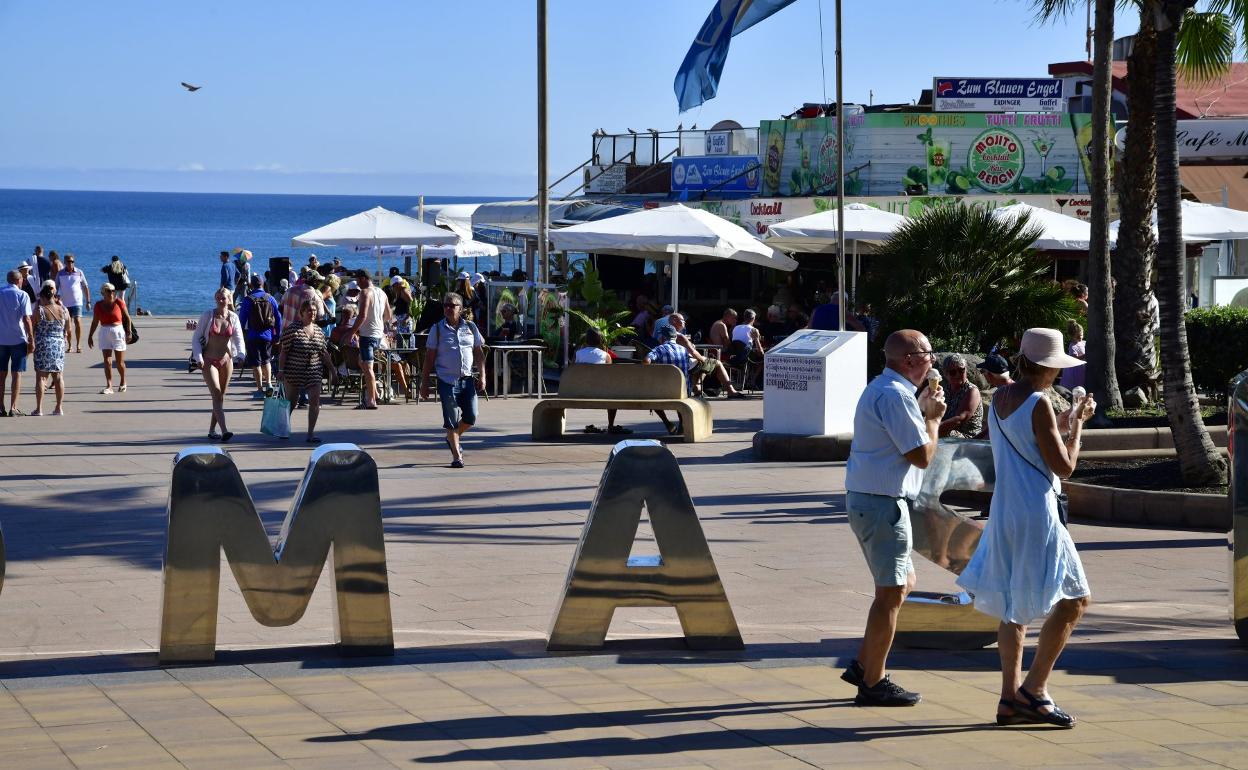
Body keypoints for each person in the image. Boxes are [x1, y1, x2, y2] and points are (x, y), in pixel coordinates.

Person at [956, 328, 1096, 728]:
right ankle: (1034, 690)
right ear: (1050, 367)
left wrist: (1067, 418)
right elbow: (1065, 465)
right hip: (1036, 509)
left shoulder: (998, 397)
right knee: (1075, 600)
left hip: (1006, 510)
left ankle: (1008, 698)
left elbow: (1027, 438)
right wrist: (1080, 426)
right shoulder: (1038, 402)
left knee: (1013, 607)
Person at [840, 329, 946, 707]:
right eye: (929, 354)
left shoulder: (885, 390)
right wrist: (932, 419)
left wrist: (923, 409)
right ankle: (874, 681)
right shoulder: (896, 396)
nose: (934, 360)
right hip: (883, 502)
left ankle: (864, 663)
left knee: (902, 584)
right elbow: (921, 455)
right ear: (911, 360)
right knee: (890, 594)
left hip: (870, 498)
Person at [419, 292, 485, 468]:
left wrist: (483, 375)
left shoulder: (471, 328)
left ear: (460, 309)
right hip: (446, 380)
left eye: (452, 305)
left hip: (467, 379)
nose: (448, 308)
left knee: (471, 417)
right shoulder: (437, 329)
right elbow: (429, 358)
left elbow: (478, 352)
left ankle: (451, 437)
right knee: (452, 420)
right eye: (446, 305)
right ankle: (457, 456)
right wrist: (424, 384)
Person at [191, 288, 245, 441]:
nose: (221, 300)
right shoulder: (208, 315)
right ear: (215, 298)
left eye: (224, 298)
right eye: (219, 298)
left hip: (226, 361)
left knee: (220, 397)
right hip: (208, 360)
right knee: (216, 393)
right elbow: (196, 338)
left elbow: (239, 339)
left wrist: (241, 355)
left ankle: (211, 430)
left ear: (229, 300)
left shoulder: (233, 318)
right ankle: (225, 431)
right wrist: (198, 358)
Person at [280, 300, 336, 444]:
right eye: (309, 310)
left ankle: (310, 434)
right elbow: (284, 352)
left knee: (315, 402)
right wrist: (280, 370)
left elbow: (324, 353)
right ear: (302, 313)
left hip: (314, 370)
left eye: (314, 310)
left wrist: (333, 370)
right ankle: (283, 428)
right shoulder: (293, 329)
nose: (312, 313)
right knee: (291, 402)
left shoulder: (318, 331)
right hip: (294, 370)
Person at [345, 270, 393, 409]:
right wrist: (378, 322)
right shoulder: (382, 293)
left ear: (364, 279)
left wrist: (351, 333)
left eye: (358, 280)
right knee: (362, 361)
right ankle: (375, 392)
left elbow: (362, 316)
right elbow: (389, 315)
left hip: (367, 335)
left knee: (367, 367)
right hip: (378, 335)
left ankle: (371, 400)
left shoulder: (365, 293)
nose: (357, 283)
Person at [668, 313, 745, 398]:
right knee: (717, 363)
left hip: (674, 364)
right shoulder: (680, 336)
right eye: (682, 320)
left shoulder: (665, 335)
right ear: (674, 321)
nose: (685, 322)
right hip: (686, 364)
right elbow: (693, 352)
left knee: (703, 365)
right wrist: (702, 359)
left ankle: (697, 389)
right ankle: (731, 391)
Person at [575, 327, 631, 435]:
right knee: (613, 394)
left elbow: (572, 371)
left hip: (580, 390)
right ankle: (610, 425)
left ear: (586, 340)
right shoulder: (605, 355)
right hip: (601, 392)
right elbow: (609, 376)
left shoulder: (578, 354)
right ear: (600, 340)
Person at [238, 275, 282, 397]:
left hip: (252, 335)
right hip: (267, 335)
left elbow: (241, 319)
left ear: (251, 285)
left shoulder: (248, 299)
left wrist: (240, 335)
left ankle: (259, 390)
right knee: (266, 360)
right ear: (263, 284)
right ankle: (269, 384)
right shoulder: (270, 298)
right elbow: (278, 319)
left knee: (256, 363)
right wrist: (277, 335)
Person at [31, 280, 70, 416]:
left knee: (41, 377)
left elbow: (32, 327)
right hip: (58, 345)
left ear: (42, 296)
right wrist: (63, 336)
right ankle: (59, 408)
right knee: (58, 377)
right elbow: (68, 328)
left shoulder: (40, 310)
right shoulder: (63, 310)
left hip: (43, 344)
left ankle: (39, 408)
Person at [86, 283, 133, 395]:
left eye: (113, 291)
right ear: (103, 293)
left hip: (118, 331)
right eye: (108, 291)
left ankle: (123, 381)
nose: (112, 293)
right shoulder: (98, 305)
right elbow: (95, 322)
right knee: (107, 361)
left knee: (119, 362)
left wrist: (129, 332)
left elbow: (127, 318)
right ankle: (109, 385)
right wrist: (90, 336)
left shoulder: (119, 303)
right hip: (104, 332)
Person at [0, 270, 35, 417]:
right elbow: (27, 319)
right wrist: (31, 339)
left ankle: (0, 407)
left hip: (1, 339)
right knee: (17, 374)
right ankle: (13, 408)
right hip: (18, 340)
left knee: (1, 374)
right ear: (18, 280)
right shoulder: (22, 295)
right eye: (22, 279)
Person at [938, 354, 983, 439]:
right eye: (953, 372)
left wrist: (932, 428)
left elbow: (959, 419)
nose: (957, 375)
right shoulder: (945, 389)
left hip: (968, 437)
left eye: (961, 370)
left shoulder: (972, 391)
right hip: (948, 431)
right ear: (945, 374)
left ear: (966, 370)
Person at [56, 254, 89, 353]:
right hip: (65, 303)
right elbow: (56, 287)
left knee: (78, 321)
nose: (71, 263)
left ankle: (78, 344)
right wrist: (55, 299)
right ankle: (70, 346)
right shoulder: (60, 273)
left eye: (72, 261)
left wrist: (88, 301)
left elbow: (85, 287)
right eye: (69, 261)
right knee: (68, 325)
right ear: (65, 262)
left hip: (77, 302)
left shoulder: (79, 272)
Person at [1061, 321, 1086, 390]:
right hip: (1076, 368)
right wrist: (1086, 355)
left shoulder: (1083, 343)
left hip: (1083, 366)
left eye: (1081, 335)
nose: (1080, 337)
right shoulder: (1072, 346)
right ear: (1072, 336)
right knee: (1077, 383)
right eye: (1077, 336)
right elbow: (1075, 359)